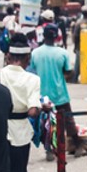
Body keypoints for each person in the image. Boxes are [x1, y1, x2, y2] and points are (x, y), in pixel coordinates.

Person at [0, 33, 42, 172]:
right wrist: (41, 108)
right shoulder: (32, 79)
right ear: (28, 58)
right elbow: (32, 111)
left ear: (8, 57)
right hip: (20, 135)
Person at [31, 23, 82, 158]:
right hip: (60, 93)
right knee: (68, 121)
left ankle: (49, 150)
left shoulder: (35, 53)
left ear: (43, 35)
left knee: (46, 123)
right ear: (56, 36)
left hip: (42, 95)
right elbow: (69, 72)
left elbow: (32, 71)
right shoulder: (62, 53)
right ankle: (77, 146)